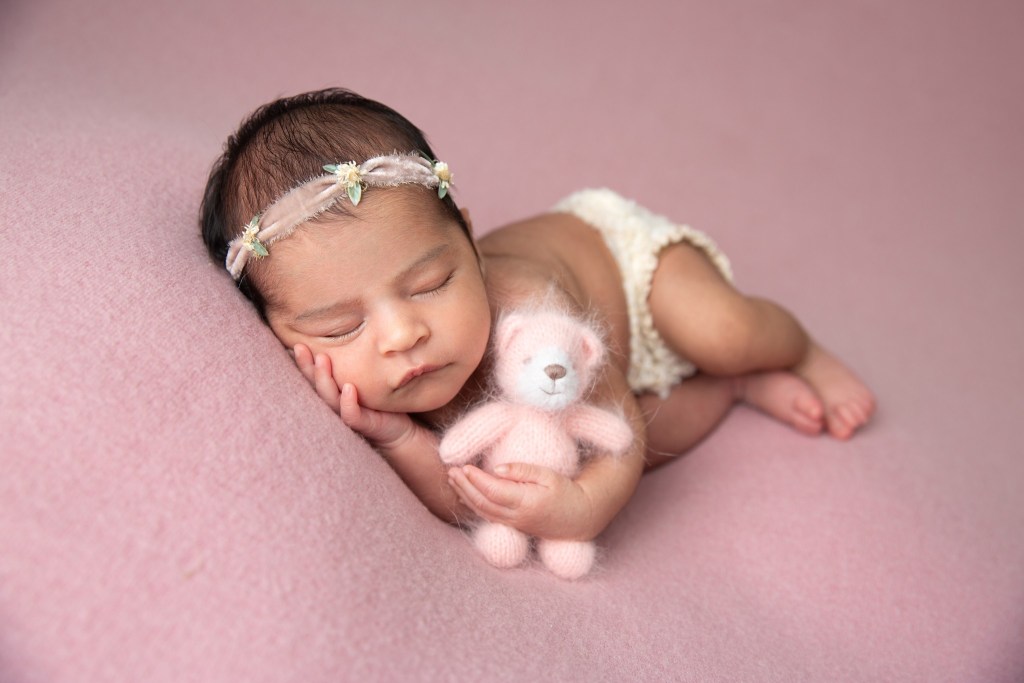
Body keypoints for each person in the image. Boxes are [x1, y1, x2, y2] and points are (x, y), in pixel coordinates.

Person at [200, 88, 875, 543]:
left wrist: (579, 509)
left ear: (468, 236)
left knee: (721, 336)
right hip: (593, 392)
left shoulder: (530, 313)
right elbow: (469, 495)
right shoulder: (388, 375)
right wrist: (397, 438)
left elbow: (621, 433)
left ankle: (795, 350)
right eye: (339, 327)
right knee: (639, 424)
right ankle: (730, 387)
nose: (404, 334)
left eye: (433, 281)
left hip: (622, 271)